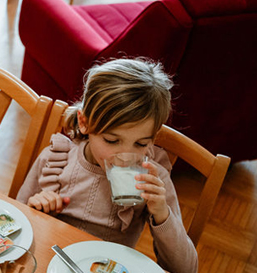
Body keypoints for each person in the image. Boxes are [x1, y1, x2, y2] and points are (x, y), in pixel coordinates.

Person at [16, 58, 198, 272]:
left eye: (141, 143)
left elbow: (186, 268)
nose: (125, 155)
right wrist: (36, 209)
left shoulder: (151, 179)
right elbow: (17, 229)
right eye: (112, 140)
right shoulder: (56, 160)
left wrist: (162, 214)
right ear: (84, 123)